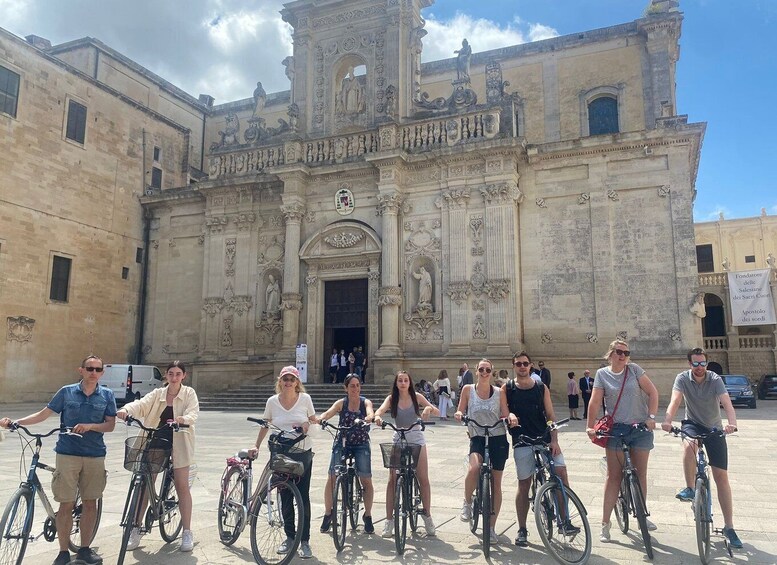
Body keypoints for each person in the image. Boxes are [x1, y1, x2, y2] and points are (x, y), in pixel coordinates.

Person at [0, 355, 117, 565]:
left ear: (102, 372)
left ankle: (84, 549)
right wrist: (16, 422)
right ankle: (63, 552)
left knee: (90, 503)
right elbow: (44, 414)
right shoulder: (67, 392)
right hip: (67, 452)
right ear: (80, 370)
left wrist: (91, 426)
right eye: (89, 368)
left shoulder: (107, 395)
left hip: (95, 454)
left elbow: (110, 425)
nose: (93, 372)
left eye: (98, 369)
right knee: (66, 504)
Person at [661, 347, 743, 548]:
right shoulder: (682, 378)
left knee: (721, 476)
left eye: (702, 363)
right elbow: (675, 400)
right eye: (695, 363)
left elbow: (727, 403)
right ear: (690, 364)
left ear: (706, 363)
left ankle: (729, 527)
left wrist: (732, 423)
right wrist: (667, 420)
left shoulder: (714, 379)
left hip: (714, 427)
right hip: (693, 423)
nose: (699, 367)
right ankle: (690, 488)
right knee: (689, 445)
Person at [117, 360, 199, 552]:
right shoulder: (158, 394)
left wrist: (183, 419)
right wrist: (126, 410)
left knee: (181, 485)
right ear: (166, 375)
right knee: (146, 482)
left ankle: (187, 531)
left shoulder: (189, 393)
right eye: (171, 373)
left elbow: (193, 412)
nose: (174, 377)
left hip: (180, 440)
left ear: (183, 376)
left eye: (178, 374)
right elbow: (141, 405)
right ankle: (135, 528)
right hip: (157, 438)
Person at [585, 340, 659, 543]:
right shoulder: (602, 374)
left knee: (640, 472)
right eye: (619, 352)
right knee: (614, 476)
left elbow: (653, 392)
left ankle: (642, 513)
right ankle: (605, 523)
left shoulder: (635, 370)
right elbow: (595, 401)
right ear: (610, 354)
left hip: (640, 429)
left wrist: (651, 417)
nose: (623, 355)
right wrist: (590, 426)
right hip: (616, 429)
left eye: (626, 352)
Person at [501, 352, 577, 547]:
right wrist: (510, 415)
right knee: (524, 483)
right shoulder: (507, 388)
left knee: (560, 473)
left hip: (543, 438)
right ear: (513, 366)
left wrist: (554, 440)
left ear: (531, 366)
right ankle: (522, 529)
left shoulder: (541, 388)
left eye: (525, 363)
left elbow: (550, 415)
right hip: (522, 440)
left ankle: (564, 521)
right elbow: (504, 412)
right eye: (518, 364)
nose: (522, 366)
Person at [248, 366, 318, 559]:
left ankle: (304, 541)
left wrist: (307, 424)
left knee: (302, 496)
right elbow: (265, 424)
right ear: (280, 381)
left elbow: (314, 420)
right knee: (285, 494)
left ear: (297, 382)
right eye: (285, 379)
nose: (288, 382)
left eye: (291, 379)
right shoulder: (272, 402)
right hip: (280, 451)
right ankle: (289, 537)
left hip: (302, 451)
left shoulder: (305, 399)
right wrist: (257, 446)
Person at [374, 371, 440, 538]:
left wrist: (427, 409)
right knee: (392, 479)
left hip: (416, 437)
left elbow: (436, 411)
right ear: (396, 384)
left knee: (423, 478)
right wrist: (377, 417)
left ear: (409, 383)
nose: (403, 383)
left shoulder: (416, 396)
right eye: (400, 381)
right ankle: (389, 521)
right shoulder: (391, 399)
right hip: (399, 437)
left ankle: (427, 516)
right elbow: (380, 410)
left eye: (405, 380)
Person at [455, 358, 510, 545]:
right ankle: (468, 503)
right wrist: (459, 414)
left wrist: (509, 416)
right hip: (477, 435)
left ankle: (492, 528)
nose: (484, 372)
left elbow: (504, 412)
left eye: (487, 370)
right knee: (474, 468)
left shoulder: (499, 392)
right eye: (481, 369)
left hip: (498, 437)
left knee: (496, 484)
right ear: (476, 371)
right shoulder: (468, 390)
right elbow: (460, 409)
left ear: (492, 372)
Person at [318, 374, 376, 534]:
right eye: (352, 386)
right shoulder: (341, 403)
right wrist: (321, 419)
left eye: (357, 385)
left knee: (366, 478)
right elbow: (328, 413)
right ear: (346, 388)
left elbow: (371, 412)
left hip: (361, 443)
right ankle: (328, 514)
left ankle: (368, 515)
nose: (355, 389)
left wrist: (369, 417)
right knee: (332, 477)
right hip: (342, 442)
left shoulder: (365, 402)